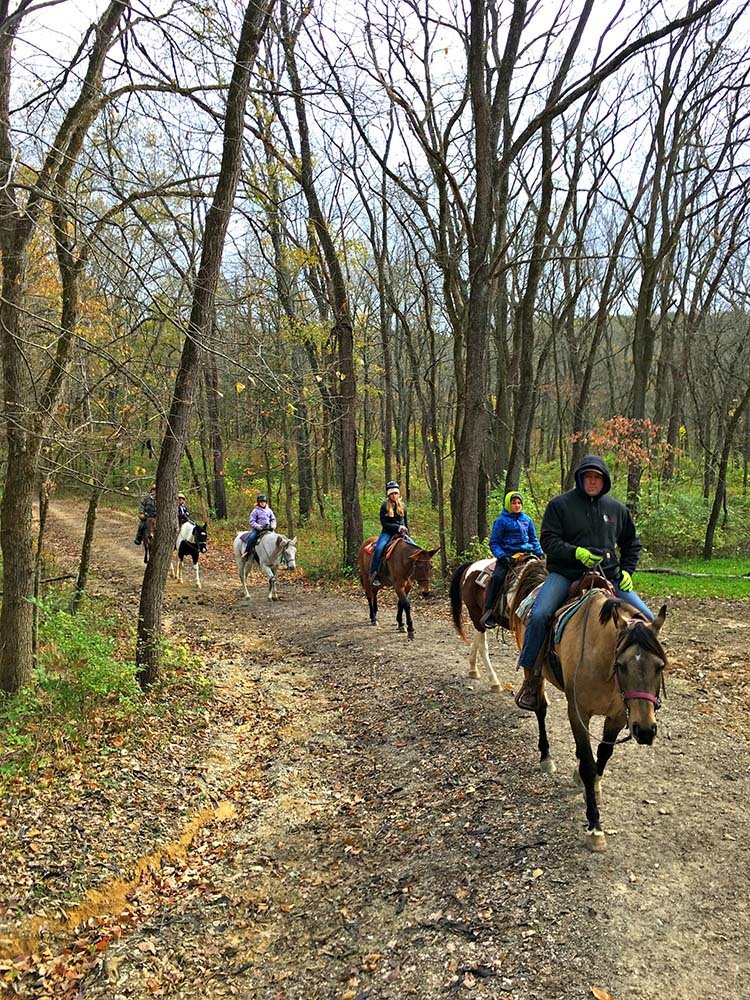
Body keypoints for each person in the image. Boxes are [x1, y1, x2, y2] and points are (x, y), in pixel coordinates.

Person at [515, 455, 653, 711]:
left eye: (597, 477)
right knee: (540, 614)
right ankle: (532, 679)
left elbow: (631, 544)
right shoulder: (560, 505)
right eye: (587, 476)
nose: (592, 481)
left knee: (648, 619)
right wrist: (574, 552)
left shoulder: (617, 510)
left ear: (604, 480)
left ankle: (645, 685)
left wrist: (627, 571)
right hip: (566, 574)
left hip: (610, 575)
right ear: (580, 478)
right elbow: (548, 540)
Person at [480, 491, 543, 629]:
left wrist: (540, 553)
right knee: (497, 577)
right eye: (514, 503)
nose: (517, 505)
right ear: (509, 504)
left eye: (519, 503)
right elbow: (494, 543)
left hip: (527, 555)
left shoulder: (527, 520)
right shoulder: (501, 521)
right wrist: (502, 556)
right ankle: (489, 611)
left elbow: (533, 539)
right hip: (508, 556)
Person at [370, 481, 411, 587]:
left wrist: (408, 534)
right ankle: (374, 574)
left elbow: (406, 523)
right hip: (387, 533)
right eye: (392, 493)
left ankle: (412, 575)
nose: (394, 495)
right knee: (379, 549)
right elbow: (385, 523)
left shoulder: (403, 506)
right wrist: (398, 527)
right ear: (389, 495)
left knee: (415, 549)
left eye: (396, 493)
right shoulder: (384, 506)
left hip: (402, 534)